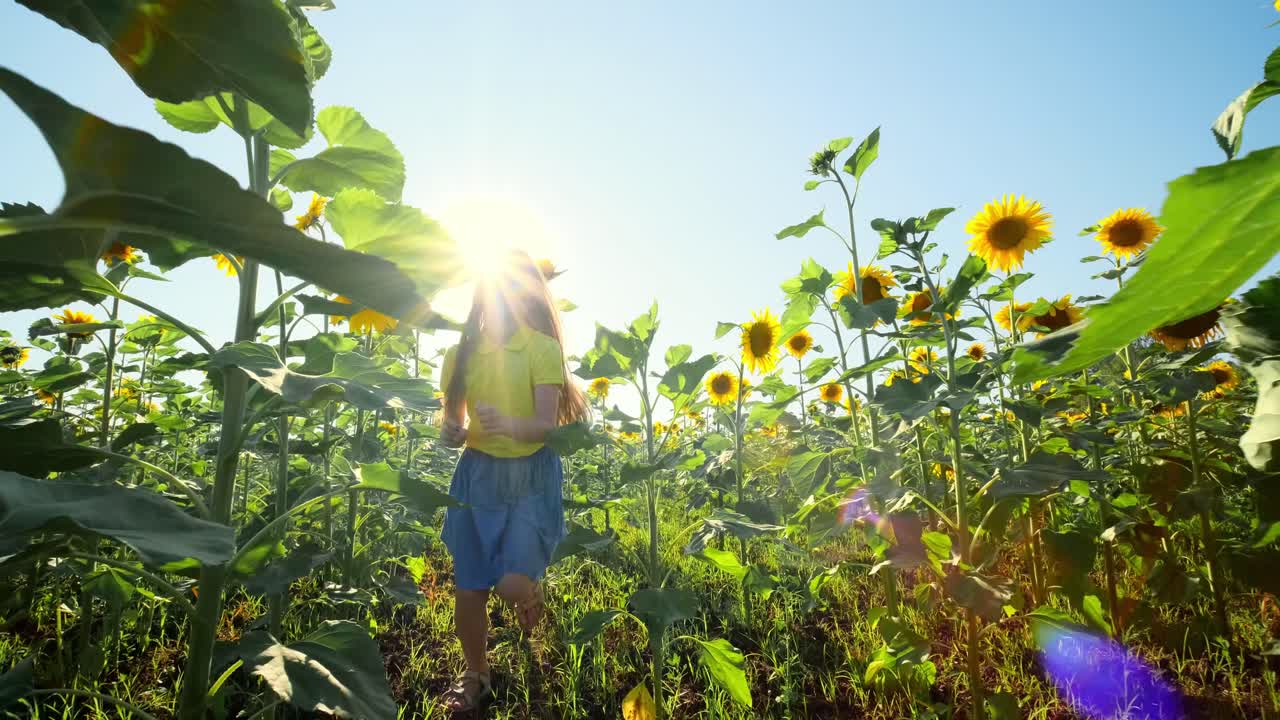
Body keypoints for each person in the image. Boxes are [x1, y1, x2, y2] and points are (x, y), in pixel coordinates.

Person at [437, 249, 588, 713]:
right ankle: (476, 673)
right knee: (470, 585)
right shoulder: (459, 356)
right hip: (477, 475)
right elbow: (450, 426)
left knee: (512, 586)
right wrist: (453, 432)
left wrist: (507, 423)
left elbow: (546, 424)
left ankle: (531, 591)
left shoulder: (541, 349)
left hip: (530, 476)